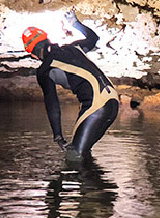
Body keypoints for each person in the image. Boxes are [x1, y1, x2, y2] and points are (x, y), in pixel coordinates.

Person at [23, 11, 119, 161]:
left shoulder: (45, 69)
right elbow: (93, 38)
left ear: (33, 54)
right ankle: (98, 183)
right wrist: (75, 23)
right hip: (113, 101)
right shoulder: (74, 47)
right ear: (47, 39)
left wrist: (58, 136)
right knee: (84, 154)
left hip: (96, 106)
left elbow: (52, 103)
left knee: (74, 156)